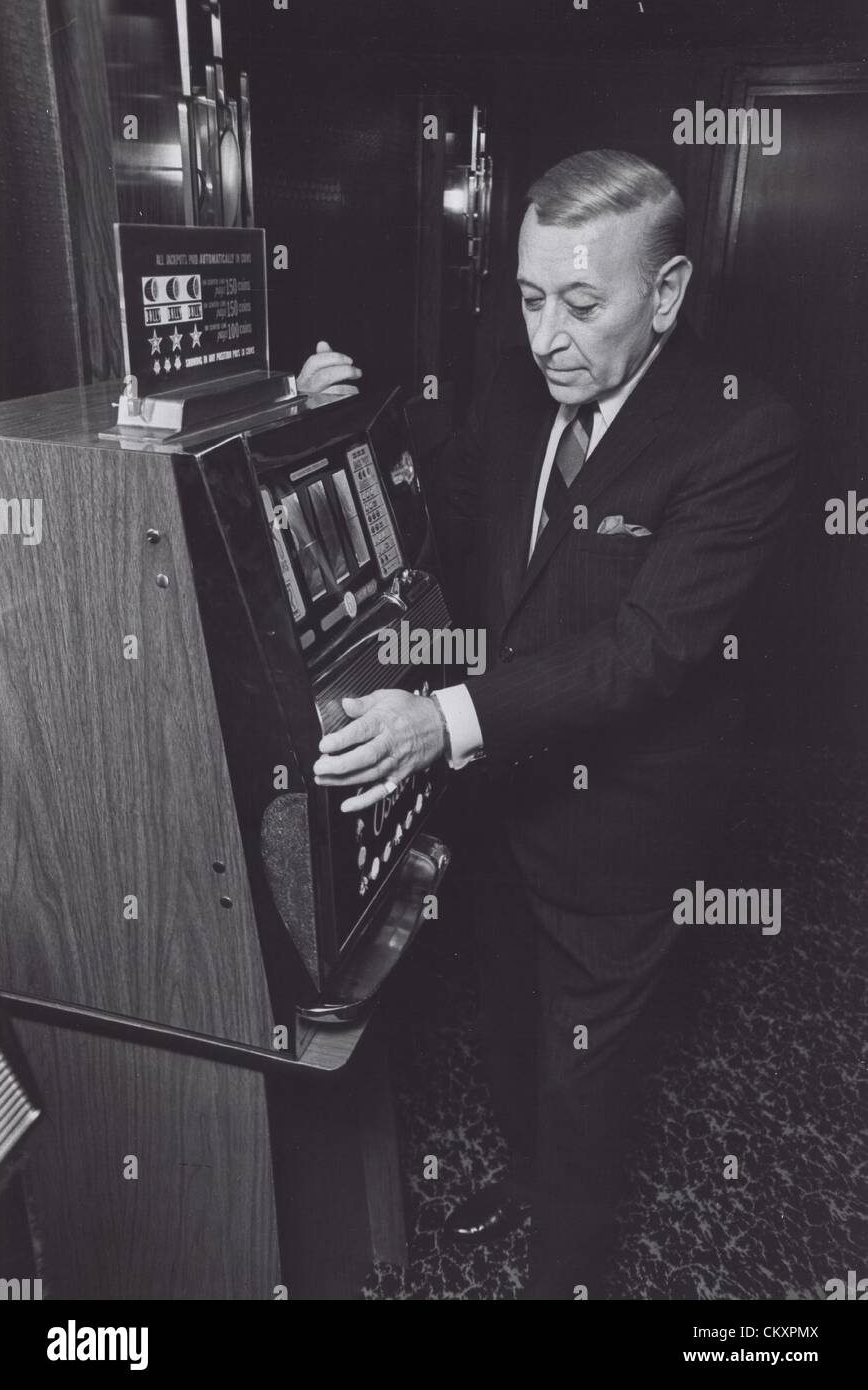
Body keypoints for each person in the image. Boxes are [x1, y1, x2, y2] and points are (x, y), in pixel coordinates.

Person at [312, 149, 800, 1299]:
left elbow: (646, 649)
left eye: (581, 303)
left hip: (620, 828)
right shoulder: (523, 381)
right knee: (510, 1036)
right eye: (530, 299)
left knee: (589, 1092)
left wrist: (444, 718)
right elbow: (454, 494)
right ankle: (526, 1183)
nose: (547, 334)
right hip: (502, 802)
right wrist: (352, 413)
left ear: (667, 294)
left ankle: (565, 1272)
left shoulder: (744, 436)